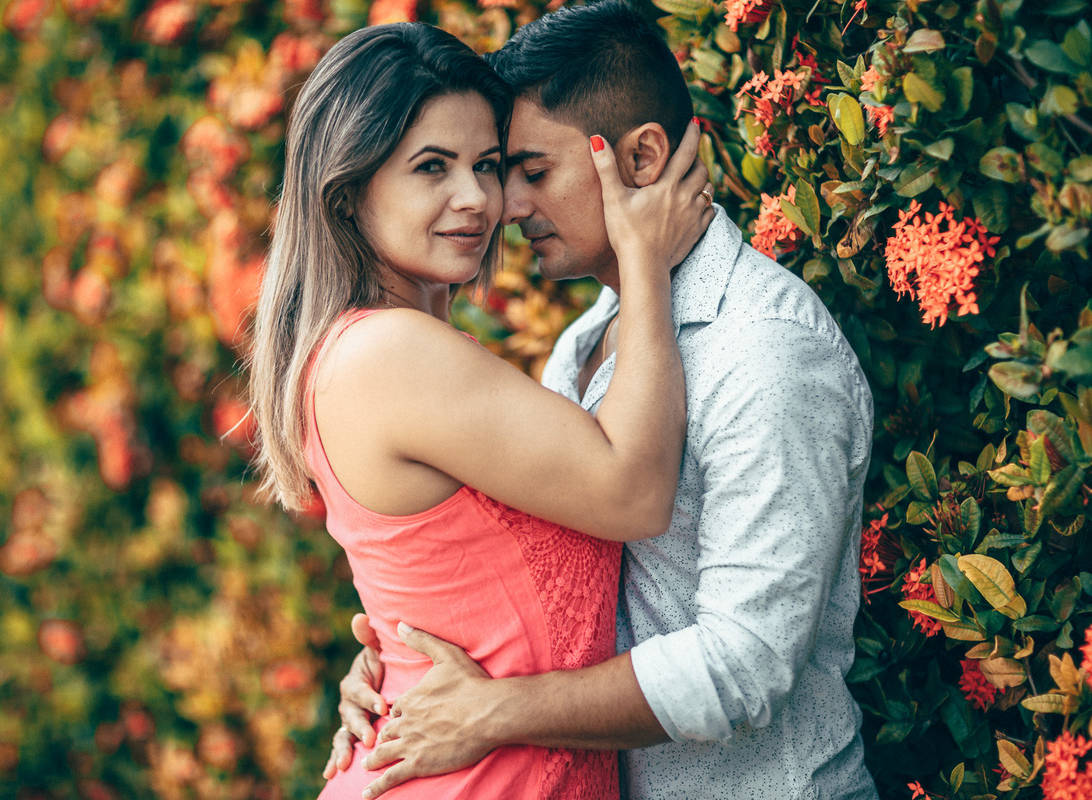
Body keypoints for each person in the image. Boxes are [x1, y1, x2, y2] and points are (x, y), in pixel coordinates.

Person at [329, 3, 881, 799]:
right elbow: (543, 582)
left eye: (531, 171)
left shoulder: (765, 350)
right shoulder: (586, 341)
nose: (504, 206)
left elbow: (746, 663)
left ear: (643, 156)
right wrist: (400, 665)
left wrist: (493, 712)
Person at [247, 20, 716, 799]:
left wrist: (387, 663)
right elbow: (635, 493)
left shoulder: (365, 350)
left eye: (488, 166)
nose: (478, 200)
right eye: (432, 167)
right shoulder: (390, 353)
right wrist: (645, 257)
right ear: (348, 189)